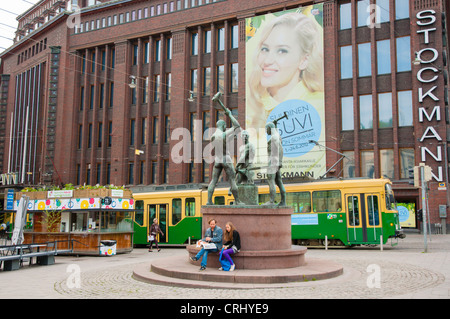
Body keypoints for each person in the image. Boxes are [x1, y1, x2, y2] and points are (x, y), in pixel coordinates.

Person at [246, 11, 324, 131]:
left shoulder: (320, 106)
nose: (267, 60)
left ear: (303, 60)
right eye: (265, 49)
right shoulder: (252, 110)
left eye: (282, 51)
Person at [207, 93, 243, 205]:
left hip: (217, 160)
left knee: (213, 181)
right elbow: (237, 126)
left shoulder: (213, 136)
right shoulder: (223, 134)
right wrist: (230, 115)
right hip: (226, 159)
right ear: (223, 126)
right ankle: (237, 201)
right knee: (232, 181)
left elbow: (228, 138)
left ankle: (209, 201)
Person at [264, 121, 286, 206]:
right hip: (276, 162)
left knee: (271, 180)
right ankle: (283, 201)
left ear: (269, 128)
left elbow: (279, 150)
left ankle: (271, 201)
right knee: (279, 182)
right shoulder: (277, 136)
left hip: (273, 162)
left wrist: (277, 161)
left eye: (267, 129)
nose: (266, 131)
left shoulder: (274, 137)